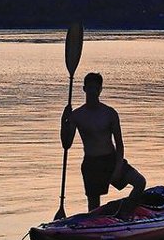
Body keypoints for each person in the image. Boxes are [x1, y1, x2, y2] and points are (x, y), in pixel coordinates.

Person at [61, 72, 146, 213]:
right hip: (91, 163)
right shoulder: (77, 115)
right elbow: (66, 144)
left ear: (100, 89)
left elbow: (119, 144)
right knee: (94, 205)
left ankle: (126, 212)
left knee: (139, 182)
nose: (93, 91)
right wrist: (63, 122)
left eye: (96, 88)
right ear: (84, 89)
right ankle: (96, 225)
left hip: (110, 160)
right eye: (90, 88)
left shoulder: (110, 113)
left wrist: (118, 167)